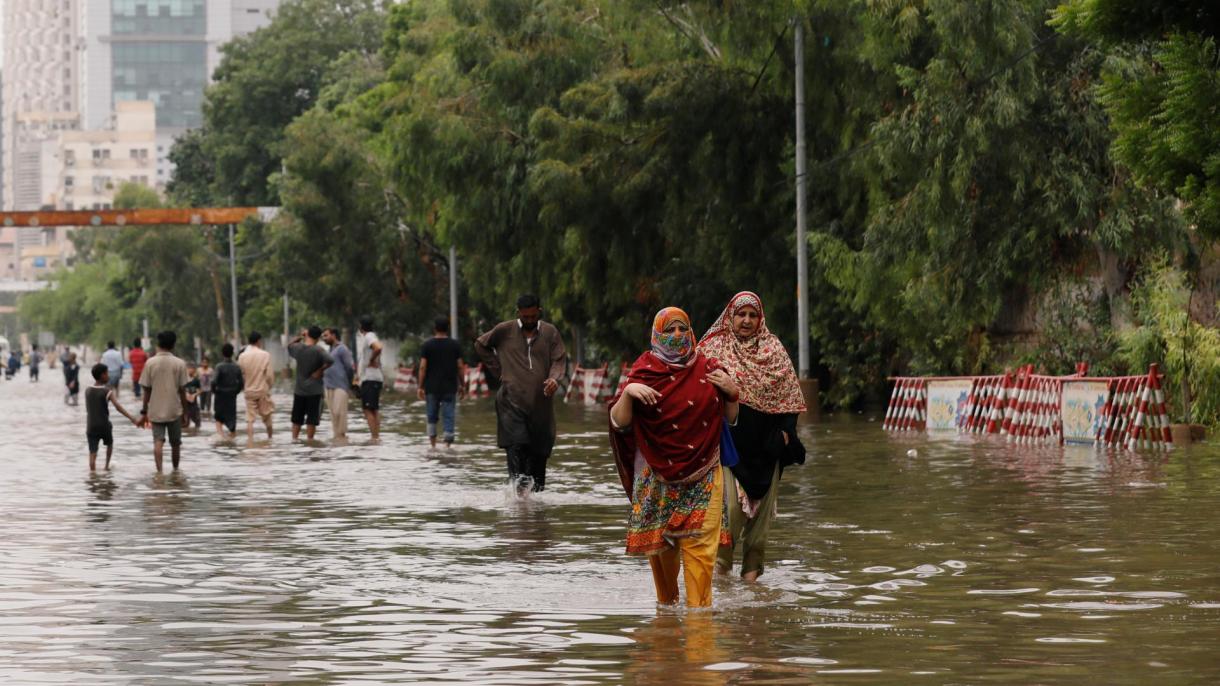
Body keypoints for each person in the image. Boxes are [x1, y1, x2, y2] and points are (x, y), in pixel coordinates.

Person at [608, 306, 740, 608]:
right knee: (665, 586)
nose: (678, 335)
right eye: (670, 330)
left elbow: (730, 419)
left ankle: (700, 640)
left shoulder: (711, 368)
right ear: (656, 334)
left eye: (683, 328)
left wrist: (733, 393)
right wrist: (629, 392)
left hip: (704, 476)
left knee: (701, 566)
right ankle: (666, 638)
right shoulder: (643, 371)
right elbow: (619, 422)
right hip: (657, 480)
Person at [698, 291, 808, 582]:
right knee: (728, 520)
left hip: (767, 453)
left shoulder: (774, 351)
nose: (746, 320)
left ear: (761, 319)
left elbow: (790, 402)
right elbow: (697, 399)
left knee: (759, 534)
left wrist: (785, 436)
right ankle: (721, 599)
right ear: (730, 317)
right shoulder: (712, 351)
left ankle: (753, 609)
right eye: (741, 314)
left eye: (753, 315)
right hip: (727, 453)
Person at [475, 293, 568, 492]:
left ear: (539, 313)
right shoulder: (504, 330)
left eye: (533, 317)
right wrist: (498, 370)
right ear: (518, 314)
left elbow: (559, 359)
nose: (530, 321)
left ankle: (535, 513)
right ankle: (517, 507)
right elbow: (481, 344)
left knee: (538, 461)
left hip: (540, 407)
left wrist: (554, 379)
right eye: (525, 317)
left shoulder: (550, 333)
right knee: (517, 449)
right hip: (510, 403)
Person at [138, 331, 190, 472]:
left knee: (158, 442)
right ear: (173, 345)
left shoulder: (150, 363)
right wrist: (186, 412)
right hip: (174, 409)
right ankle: (175, 471)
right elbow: (182, 390)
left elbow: (146, 390)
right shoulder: (180, 363)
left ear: (158, 344)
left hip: (155, 410)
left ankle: (159, 473)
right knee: (175, 444)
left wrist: (144, 411)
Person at [418, 316, 466, 449]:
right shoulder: (455, 345)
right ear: (448, 328)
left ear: (435, 328)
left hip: (431, 387)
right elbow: (460, 366)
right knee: (449, 415)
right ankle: (447, 446)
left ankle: (433, 446)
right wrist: (463, 385)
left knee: (431, 415)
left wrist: (420, 386)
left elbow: (422, 367)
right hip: (450, 387)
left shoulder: (427, 345)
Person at [86, 363, 139, 471]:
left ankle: (92, 473)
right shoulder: (107, 391)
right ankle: (106, 466)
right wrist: (131, 417)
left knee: (92, 452)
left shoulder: (88, 390)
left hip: (90, 426)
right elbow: (118, 407)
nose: (109, 376)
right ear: (102, 375)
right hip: (104, 425)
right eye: (107, 373)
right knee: (109, 444)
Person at [287, 325, 333, 441]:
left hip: (299, 390)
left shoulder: (298, 348)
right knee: (312, 420)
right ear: (318, 338)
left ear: (307, 334)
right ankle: (310, 442)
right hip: (315, 390)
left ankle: (294, 440)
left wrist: (300, 336)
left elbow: (289, 345)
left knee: (296, 419)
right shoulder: (319, 350)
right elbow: (330, 361)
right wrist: (320, 370)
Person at [238, 331, 275, 442]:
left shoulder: (242, 356)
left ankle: (250, 441)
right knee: (267, 416)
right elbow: (269, 376)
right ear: (259, 341)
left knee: (250, 419)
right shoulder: (265, 355)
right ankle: (270, 438)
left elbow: (241, 374)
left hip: (249, 391)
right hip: (262, 390)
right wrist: (269, 386)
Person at [321, 327, 355, 439]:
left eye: (326, 335)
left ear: (334, 335)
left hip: (341, 386)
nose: (324, 338)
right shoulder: (330, 350)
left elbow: (349, 367)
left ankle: (342, 439)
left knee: (340, 414)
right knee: (333, 415)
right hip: (328, 386)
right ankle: (337, 439)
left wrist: (349, 383)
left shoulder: (342, 349)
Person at [355, 316, 385, 440]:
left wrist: (371, 360)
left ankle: (374, 437)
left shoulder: (369, 336)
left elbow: (378, 347)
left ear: (361, 327)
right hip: (372, 378)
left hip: (371, 378)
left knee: (368, 409)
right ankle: (376, 437)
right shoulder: (370, 336)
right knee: (373, 409)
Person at [212, 343, 244, 440]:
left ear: (222, 353)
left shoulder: (219, 367)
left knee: (218, 418)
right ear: (232, 353)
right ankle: (232, 438)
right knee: (231, 419)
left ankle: (221, 437)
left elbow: (214, 382)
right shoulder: (237, 367)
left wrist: (215, 392)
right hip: (231, 396)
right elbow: (241, 383)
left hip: (220, 395)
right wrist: (235, 392)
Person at [183, 363, 202, 429]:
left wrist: (194, 395)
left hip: (194, 403)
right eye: (189, 369)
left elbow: (200, 390)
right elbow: (179, 389)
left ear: (194, 370)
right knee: (185, 423)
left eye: (192, 369)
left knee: (197, 421)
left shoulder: (196, 380)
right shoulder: (183, 380)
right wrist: (185, 394)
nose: (190, 370)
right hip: (185, 403)